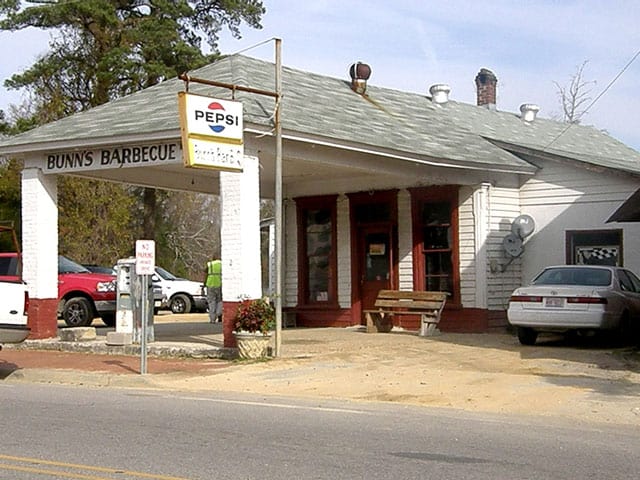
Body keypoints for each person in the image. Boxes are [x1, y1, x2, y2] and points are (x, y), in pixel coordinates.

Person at [204, 258, 222, 323]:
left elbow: (205, 274)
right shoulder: (222, 264)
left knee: (211, 302)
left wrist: (204, 283)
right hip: (220, 284)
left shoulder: (210, 264)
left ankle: (212, 318)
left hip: (210, 284)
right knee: (219, 301)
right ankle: (218, 314)